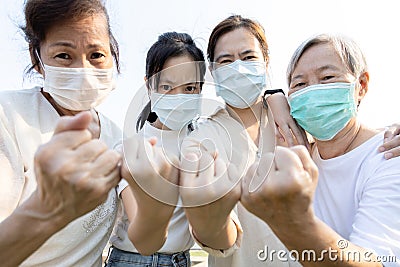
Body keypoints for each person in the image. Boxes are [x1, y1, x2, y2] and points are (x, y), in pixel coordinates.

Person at [241, 33, 400, 266]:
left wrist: (290, 222)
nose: (312, 92)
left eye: (327, 77)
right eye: (300, 84)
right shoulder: (300, 156)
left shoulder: (389, 156)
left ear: (361, 85)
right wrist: (273, 97)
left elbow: (374, 261)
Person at [0, 0, 123, 266]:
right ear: (37, 59)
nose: (83, 70)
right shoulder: (6, 115)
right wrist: (47, 210)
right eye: (64, 56)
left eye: (96, 55)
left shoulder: (117, 138)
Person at [106, 32, 241, 267]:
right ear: (149, 86)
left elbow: (223, 230)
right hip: (133, 260)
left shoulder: (205, 146)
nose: (179, 97)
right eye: (168, 87)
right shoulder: (132, 149)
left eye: (189, 88)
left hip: (181, 260)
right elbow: (143, 235)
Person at [181, 15, 305, 267]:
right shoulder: (202, 140)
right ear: (213, 72)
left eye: (248, 57)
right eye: (226, 61)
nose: (238, 67)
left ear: (266, 62)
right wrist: (211, 218)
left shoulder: (298, 116)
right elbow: (220, 242)